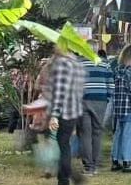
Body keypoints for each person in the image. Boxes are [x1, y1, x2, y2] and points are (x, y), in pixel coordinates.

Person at [45, 47, 86, 185]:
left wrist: (54, 115)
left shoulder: (63, 64)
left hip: (63, 112)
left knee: (63, 146)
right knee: (64, 145)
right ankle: (67, 178)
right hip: (74, 111)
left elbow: (59, 93)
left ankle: (69, 177)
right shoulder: (77, 64)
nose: (54, 47)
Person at [77, 53, 114, 175]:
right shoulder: (105, 64)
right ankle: (95, 163)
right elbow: (111, 84)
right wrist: (107, 98)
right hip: (100, 100)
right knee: (97, 132)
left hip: (84, 100)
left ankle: (88, 166)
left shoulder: (79, 63)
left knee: (85, 133)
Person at [111, 45, 131, 173]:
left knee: (118, 135)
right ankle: (127, 162)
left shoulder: (117, 69)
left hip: (118, 108)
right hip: (129, 108)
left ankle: (115, 160)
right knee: (129, 136)